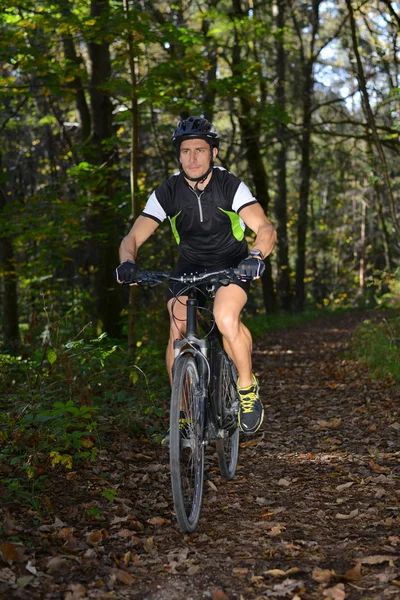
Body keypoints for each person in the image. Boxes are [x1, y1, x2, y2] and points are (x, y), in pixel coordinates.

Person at [116, 116, 276, 434]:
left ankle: (246, 389)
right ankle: (185, 412)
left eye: (200, 150)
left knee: (225, 317)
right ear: (178, 154)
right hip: (188, 268)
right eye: (186, 150)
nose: (192, 158)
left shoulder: (230, 185)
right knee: (176, 327)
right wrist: (127, 262)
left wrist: (256, 256)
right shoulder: (169, 191)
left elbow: (265, 228)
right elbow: (132, 237)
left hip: (232, 264)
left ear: (213, 153)